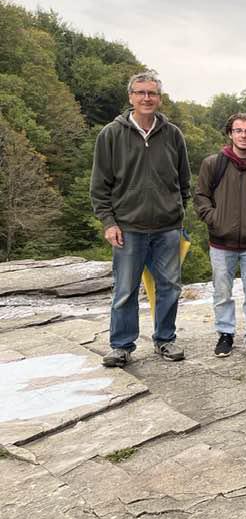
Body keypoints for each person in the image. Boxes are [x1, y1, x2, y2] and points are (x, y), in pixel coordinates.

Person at [92, 71, 191, 368]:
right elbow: (99, 186)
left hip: (167, 228)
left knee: (169, 287)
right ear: (130, 97)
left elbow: (184, 181)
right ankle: (121, 346)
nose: (146, 98)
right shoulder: (111, 134)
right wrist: (109, 222)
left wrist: (175, 212)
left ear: (159, 98)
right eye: (140, 92)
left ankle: (165, 339)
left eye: (152, 93)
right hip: (128, 228)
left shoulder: (173, 134)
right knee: (125, 290)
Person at [195, 113, 246, 358]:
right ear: (230, 133)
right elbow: (201, 196)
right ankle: (225, 333)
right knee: (222, 291)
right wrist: (214, 219)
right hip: (221, 242)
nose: (244, 135)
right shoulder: (214, 164)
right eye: (239, 130)